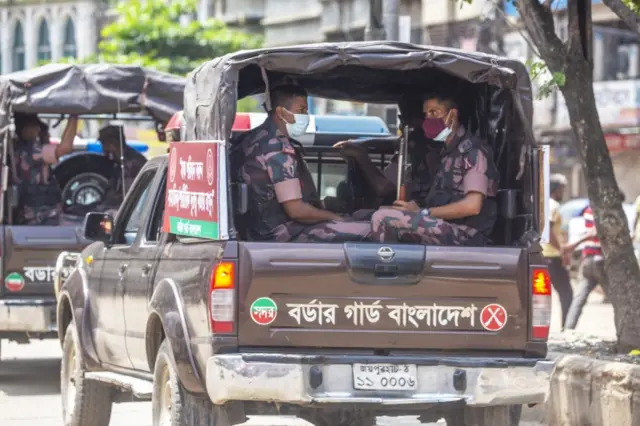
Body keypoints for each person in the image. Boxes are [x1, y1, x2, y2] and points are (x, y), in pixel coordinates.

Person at [234, 84, 371, 242]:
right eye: (301, 110)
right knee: (369, 232)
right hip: (282, 234)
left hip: (253, 232)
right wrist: (335, 218)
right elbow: (296, 210)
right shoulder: (277, 147)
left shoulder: (250, 139)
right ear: (280, 112)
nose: (306, 115)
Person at [369, 91, 499, 246]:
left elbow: (472, 206)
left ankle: (386, 265)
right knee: (378, 212)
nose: (429, 119)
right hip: (445, 226)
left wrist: (423, 213)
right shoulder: (447, 152)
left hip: (466, 234)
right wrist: (412, 208)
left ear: (453, 114)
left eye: (434, 112)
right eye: (426, 114)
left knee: (383, 218)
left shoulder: (473, 151)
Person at [334, 95, 442, 208]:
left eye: (404, 119)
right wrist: (363, 143)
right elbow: (393, 143)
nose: (401, 125)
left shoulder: (416, 147)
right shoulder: (430, 142)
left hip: (410, 208)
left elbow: (385, 189)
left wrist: (361, 156)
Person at [10, 113, 78, 225]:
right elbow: (65, 148)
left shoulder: (17, 150)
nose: (40, 133)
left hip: (32, 216)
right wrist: (74, 116)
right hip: (40, 218)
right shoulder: (32, 153)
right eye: (38, 130)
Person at [564, 204, 608, 329]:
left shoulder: (588, 210)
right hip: (601, 259)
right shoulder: (602, 209)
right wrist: (573, 245)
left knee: (579, 298)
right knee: (618, 298)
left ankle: (568, 329)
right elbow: (594, 232)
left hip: (587, 259)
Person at [541, 174, 573, 329]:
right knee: (566, 293)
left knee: (543, 296)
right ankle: (567, 327)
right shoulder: (552, 205)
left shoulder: (544, 203)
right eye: (563, 188)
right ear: (557, 189)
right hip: (552, 256)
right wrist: (561, 249)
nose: (564, 192)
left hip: (542, 255)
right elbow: (547, 229)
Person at [97, 125, 147, 208]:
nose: (102, 147)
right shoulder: (117, 162)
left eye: (103, 143)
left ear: (112, 143)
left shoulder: (132, 164)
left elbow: (129, 196)